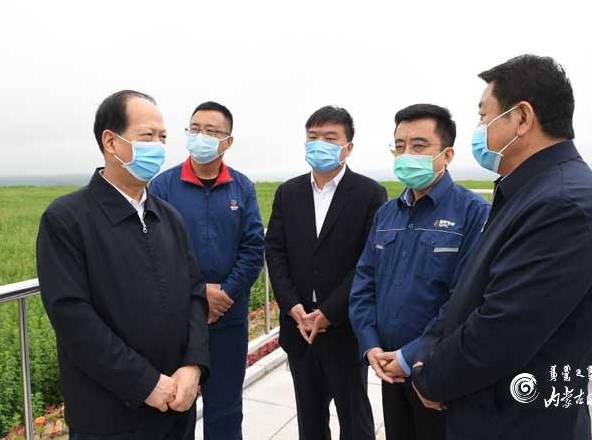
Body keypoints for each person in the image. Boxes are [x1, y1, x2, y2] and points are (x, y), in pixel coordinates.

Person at [410, 55, 592, 440]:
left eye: (483, 115)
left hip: (517, 423)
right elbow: (469, 294)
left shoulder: (563, 204)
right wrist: (426, 354)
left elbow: (500, 331)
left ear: (521, 118)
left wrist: (430, 379)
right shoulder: (530, 191)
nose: (479, 129)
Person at [36, 90, 209, 440]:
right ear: (110, 142)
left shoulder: (168, 217)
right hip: (110, 416)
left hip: (177, 409)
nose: (158, 146)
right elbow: (73, 318)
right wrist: (146, 383)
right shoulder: (67, 219)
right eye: (147, 136)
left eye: (163, 137)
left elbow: (194, 294)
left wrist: (193, 366)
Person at [350, 104, 489, 440]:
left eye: (419, 145)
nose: (406, 155)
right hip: (387, 367)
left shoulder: (473, 213)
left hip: (439, 370)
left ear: (447, 155)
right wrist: (370, 346)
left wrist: (409, 355)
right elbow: (364, 282)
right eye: (399, 146)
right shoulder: (387, 214)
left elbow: (467, 299)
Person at [266, 106, 387, 440]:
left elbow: (367, 262)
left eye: (330, 138)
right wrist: (292, 306)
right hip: (299, 328)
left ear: (348, 147)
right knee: (310, 420)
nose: (319, 144)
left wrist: (329, 313)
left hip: (344, 328)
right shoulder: (288, 192)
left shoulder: (369, 193)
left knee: (355, 419)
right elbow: (275, 250)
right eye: (313, 137)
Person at [149, 101, 265, 440]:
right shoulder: (163, 187)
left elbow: (253, 247)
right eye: (195, 129)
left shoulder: (241, 187)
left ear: (227, 141)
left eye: (211, 131)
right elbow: (154, 253)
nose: (201, 137)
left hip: (227, 317)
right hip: (178, 319)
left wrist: (225, 293)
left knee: (226, 408)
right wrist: (200, 295)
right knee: (175, 404)